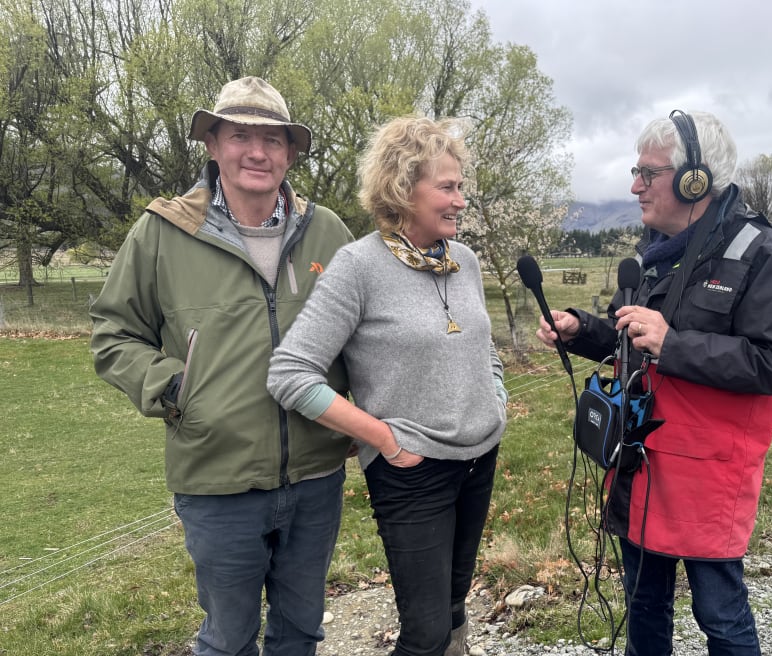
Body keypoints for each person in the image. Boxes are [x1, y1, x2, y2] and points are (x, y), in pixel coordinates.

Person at [90, 76, 355, 656]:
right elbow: (113, 334)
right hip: (217, 480)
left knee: (301, 631)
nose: (257, 152)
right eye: (240, 135)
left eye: (273, 139)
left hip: (316, 475)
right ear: (211, 144)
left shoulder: (328, 232)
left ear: (290, 151)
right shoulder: (161, 232)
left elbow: (362, 334)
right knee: (228, 638)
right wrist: (181, 388)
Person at [537, 110, 772, 656]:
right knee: (643, 601)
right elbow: (627, 334)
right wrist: (579, 329)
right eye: (635, 171)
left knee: (720, 615)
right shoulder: (652, 254)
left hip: (710, 469)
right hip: (642, 458)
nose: (635, 185)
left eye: (648, 173)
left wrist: (673, 344)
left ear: (695, 180)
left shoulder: (763, 252)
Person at [267, 115, 508, 656]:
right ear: (403, 188)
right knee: (423, 634)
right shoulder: (358, 267)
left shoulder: (463, 262)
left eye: (459, 186)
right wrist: (384, 439)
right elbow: (289, 374)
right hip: (413, 473)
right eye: (447, 187)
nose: (460, 200)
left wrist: (496, 402)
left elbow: (482, 346)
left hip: (478, 459)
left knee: (452, 608)